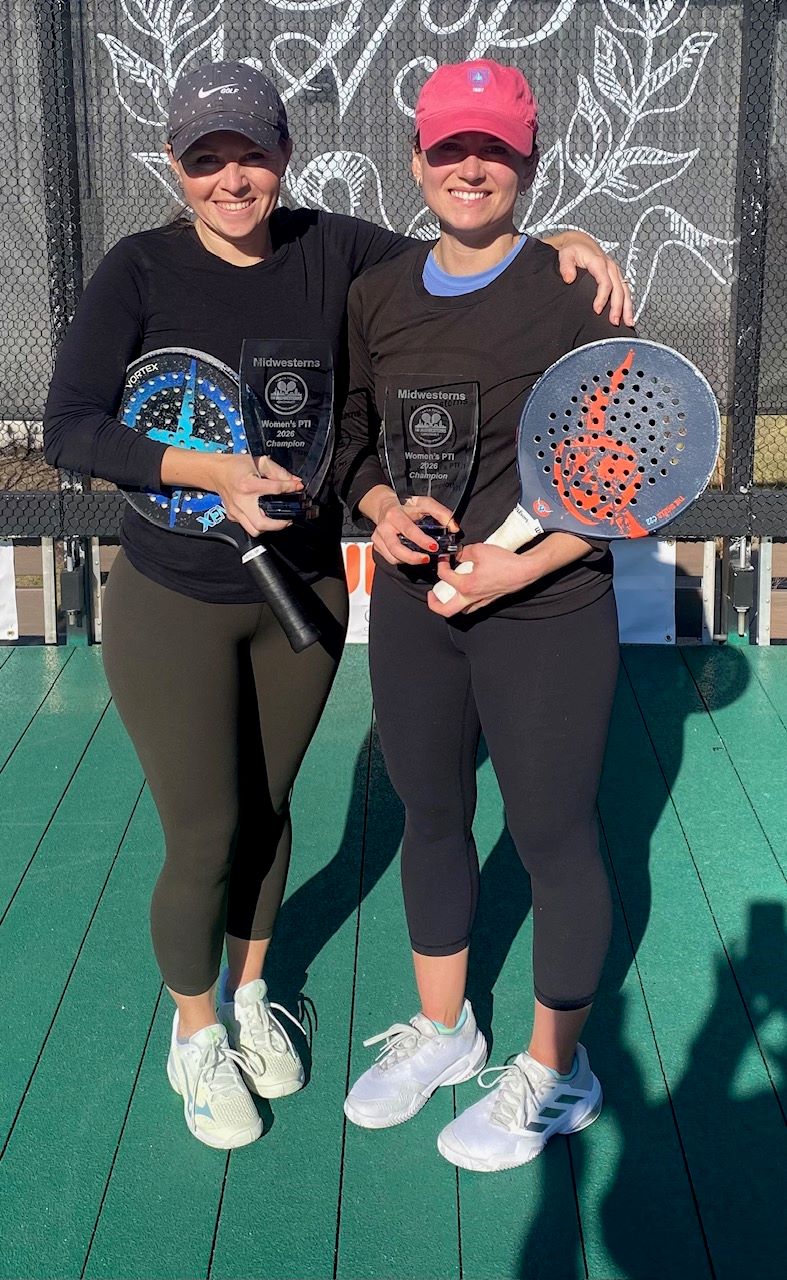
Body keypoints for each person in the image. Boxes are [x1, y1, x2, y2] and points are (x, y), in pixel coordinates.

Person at [43, 59, 632, 1152]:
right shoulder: (148, 268)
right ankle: (207, 1033)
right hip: (188, 591)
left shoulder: (344, 253)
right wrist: (231, 475)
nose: (231, 178)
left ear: (286, 155)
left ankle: (279, 998)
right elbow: (72, 426)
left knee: (285, 812)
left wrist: (572, 239)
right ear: (174, 165)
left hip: (314, 594)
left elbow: (481, 264)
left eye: (251, 153)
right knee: (220, 827)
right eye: (205, 158)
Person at [336, 58, 635, 1171]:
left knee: (552, 833)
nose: (471, 167)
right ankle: (444, 1028)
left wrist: (520, 569)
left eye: (494, 150)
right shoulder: (376, 293)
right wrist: (379, 511)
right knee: (430, 812)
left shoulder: (575, 291)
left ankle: (559, 1070)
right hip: (418, 605)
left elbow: (617, 476)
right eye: (450, 147)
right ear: (416, 158)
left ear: (529, 162)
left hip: (546, 610)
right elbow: (352, 440)